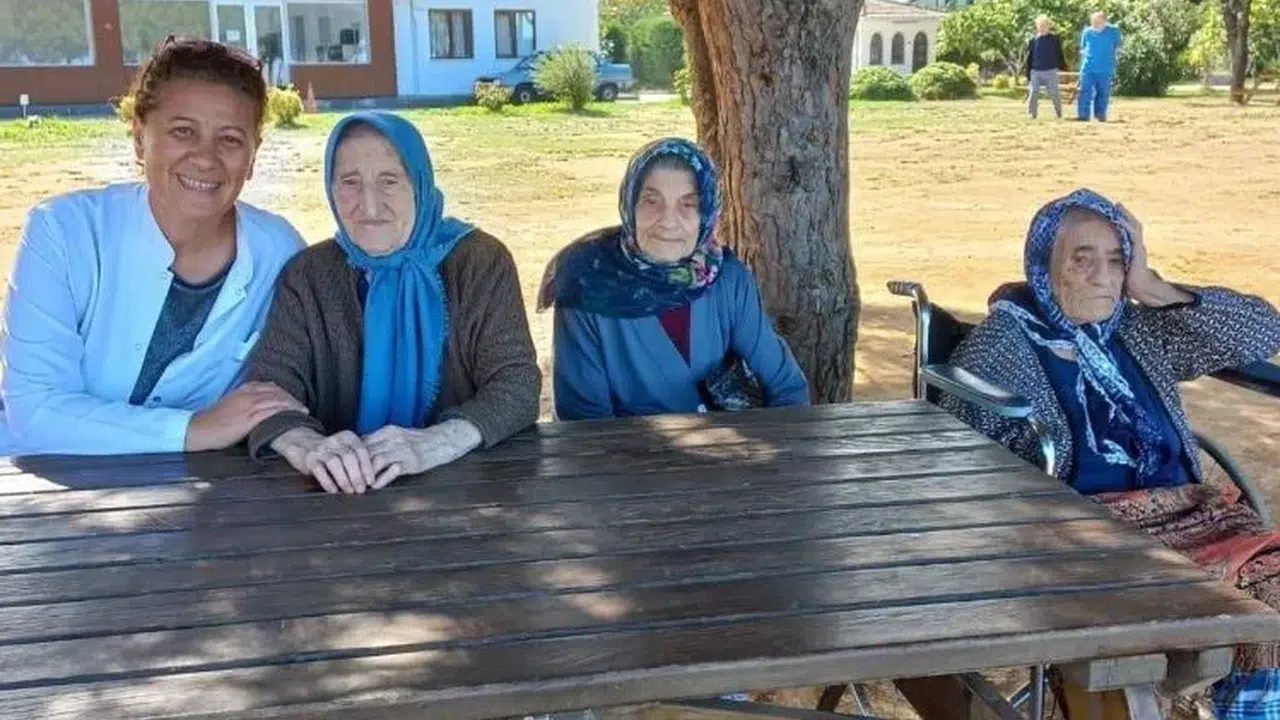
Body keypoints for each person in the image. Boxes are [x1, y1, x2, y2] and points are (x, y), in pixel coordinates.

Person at [941, 188, 1280, 716]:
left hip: (1196, 516)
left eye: (1117, 260)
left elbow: (1263, 332)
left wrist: (1152, 287)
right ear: (1044, 265)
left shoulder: (1134, 330)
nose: (1103, 276)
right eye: (1082, 259)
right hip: (1091, 535)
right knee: (1241, 613)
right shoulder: (1002, 346)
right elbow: (957, 460)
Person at [0, 38, 305, 456]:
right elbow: (35, 411)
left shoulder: (281, 252)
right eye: (183, 131)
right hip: (43, 475)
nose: (206, 157)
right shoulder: (64, 232)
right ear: (139, 137)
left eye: (231, 139)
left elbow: (294, 385)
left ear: (253, 157)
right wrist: (193, 430)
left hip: (207, 486)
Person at [244, 111, 540, 494]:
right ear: (330, 189)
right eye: (350, 182)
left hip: (467, 489)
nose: (369, 206)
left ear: (419, 183)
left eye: (389, 181)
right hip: (340, 495)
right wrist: (309, 446)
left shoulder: (480, 261)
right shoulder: (308, 275)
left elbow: (517, 383)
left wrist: (436, 442)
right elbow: (269, 391)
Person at [539, 137, 809, 420]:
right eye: (651, 201)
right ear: (630, 204)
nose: (668, 221)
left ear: (707, 214)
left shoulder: (727, 279)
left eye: (688, 204)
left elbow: (786, 387)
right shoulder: (587, 282)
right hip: (620, 448)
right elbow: (584, 425)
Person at [1078, 12, 1122, 122]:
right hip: (1088, 67)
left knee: (1103, 92)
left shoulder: (1114, 31)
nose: (1094, 23)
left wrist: (1115, 59)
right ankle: (1083, 115)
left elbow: (1118, 47)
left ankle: (1100, 114)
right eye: (1092, 21)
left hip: (1105, 68)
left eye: (1097, 21)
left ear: (1104, 20)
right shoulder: (1087, 32)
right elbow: (1083, 48)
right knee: (1085, 91)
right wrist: (1083, 55)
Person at [1025, 15, 1068, 119]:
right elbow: (1029, 58)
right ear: (1037, 26)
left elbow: (1059, 53)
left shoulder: (1054, 39)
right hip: (1035, 71)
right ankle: (1032, 114)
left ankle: (1059, 113)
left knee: (1054, 93)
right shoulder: (1033, 40)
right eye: (1040, 25)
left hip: (1051, 70)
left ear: (1049, 26)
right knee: (1033, 92)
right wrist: (1028, 74)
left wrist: (1063, 65)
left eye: (1045, 25)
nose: (1043, 27)